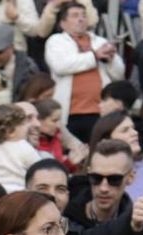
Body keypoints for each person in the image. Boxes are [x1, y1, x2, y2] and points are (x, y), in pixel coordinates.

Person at [44, 1, 122, 140]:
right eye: (75, 16)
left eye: (83, 15)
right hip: (70, 114)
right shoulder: (55, 41)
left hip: (100, 111)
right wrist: (94, 56)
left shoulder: (100, 41)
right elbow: (61, 66)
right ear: (63, 23)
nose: (81, 19)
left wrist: (111, 59)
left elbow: (119, 74)